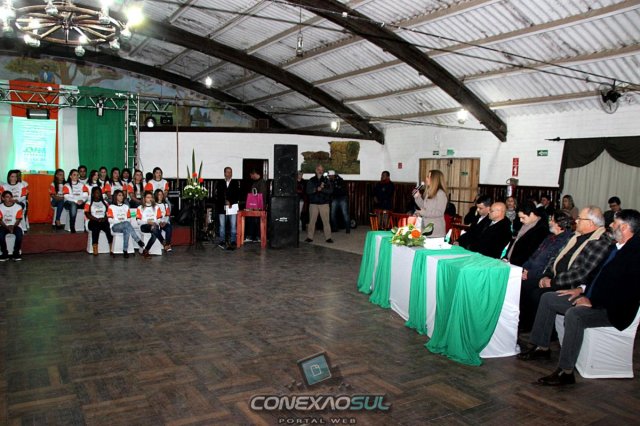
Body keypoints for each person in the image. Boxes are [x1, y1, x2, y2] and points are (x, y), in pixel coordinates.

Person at [518, 209, 640, 387]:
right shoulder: (616, 247)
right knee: (549, 299)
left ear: (624, 227)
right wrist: (580, 289)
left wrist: (592, 301)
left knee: (575, 315)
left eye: (614, 223)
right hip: (592, 297)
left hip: (612, 310)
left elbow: (624, 291)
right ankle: (541, 347)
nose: (610, 225)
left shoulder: (635, 254)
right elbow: (595, 275)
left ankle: (566, 372)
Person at [518, 211, 574, 332]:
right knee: (518, 283)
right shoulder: (550, 237)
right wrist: (524, 269)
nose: (549, 222)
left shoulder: (566, 240)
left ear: (559, 223)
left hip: (544, 275)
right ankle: (523, 322)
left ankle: (529, 325)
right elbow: (534, 255)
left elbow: (549, 263)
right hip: (532, 271)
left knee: (526, 286)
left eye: (552, 220)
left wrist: (530, 274)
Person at [538, 206, 612, 292]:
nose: (576, 221)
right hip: (553, 278)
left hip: (568, 285)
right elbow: (556, 256)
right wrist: (547, 275)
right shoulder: (574, 236)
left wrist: (553, 282)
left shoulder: (600, 242)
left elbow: (582, 273)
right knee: (528, 286)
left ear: (590, 223)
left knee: (535, 293)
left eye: (579, 219)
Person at [504, 202, 549, 266]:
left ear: (531, 214)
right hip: (510, 261)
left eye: (523, 217)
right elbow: (515, 241)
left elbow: (532, 253)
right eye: (519, 218)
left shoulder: (541, 229)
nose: (521, 220)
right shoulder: (526, 222)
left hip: (521, 265)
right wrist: (506, 257)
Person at [108, 189, 144, 258]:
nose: (121, 197)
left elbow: (129, 219)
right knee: (126, 224)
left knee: (126, 230)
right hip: (115, 227)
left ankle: (125, 250)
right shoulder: (111, 207)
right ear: (115, 196)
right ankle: (137, 239)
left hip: (125, 225)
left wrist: (123, 222)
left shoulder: (126, 206)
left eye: (122, 195)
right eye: (119, 195)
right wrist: (121, 221)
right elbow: (110, 220)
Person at [412, 169, 447, 238]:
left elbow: (439, 212)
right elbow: (424, 207)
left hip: (435, 231)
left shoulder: (441, 193)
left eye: (428, 176)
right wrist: (417, 197)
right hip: (426, 228)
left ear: (434, 179)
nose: (426, 178)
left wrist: (422, 212)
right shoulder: (429, 192)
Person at [214, 166, 241, 249]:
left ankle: (233, 241)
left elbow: (237, 194)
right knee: (222, 225)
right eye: (228, 172)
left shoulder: (235, 183)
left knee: (233, 225)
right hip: (222, 207)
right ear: (224, 173)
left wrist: (230, 202)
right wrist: (225, 201)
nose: (229, 173)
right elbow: (218, 195)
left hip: (232, 207)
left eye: (230, 172)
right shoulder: (220, 183)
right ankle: (222, 240)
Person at [305, 164, 333, 243]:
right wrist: (316, 189)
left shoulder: (326, 180)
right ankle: (309, 237)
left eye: (321, 170)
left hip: (324, 203)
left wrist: (322, 189)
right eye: (319, 169)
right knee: (311, 222)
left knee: (326, 221)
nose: (320, 171)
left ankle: (328, 237)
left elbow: (330, 191)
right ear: (316, 170)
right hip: (313, 204)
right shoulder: (311, 180)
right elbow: (308, 191)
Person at [136, 191, 167, 259]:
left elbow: (159, 219)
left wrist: (154, 223)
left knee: (154, 232)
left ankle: (146, 250)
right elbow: (138, 221)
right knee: (154, 228)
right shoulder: (140, 208)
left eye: (151, 197)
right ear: (144, 198)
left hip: (154, 225)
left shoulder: (156, 207)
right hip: (144, 226)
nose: (149, 199)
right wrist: (147, 222)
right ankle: (163, 241)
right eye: (148, 197)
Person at [85, 186, 113, 256]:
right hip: (93, 221)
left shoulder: (105, 202)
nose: (98, 194)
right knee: (95, 228)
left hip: (103, 220)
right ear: (93, 194)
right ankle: (95, 247)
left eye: (99, 193)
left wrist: (104, 218)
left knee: (108, 228)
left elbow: (108, 213)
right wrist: (96, 219)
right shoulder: (88, 203)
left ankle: (111, 246)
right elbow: (87, 214)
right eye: (96, 193)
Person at [0, 191, 24, 261]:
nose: (9, 199)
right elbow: (0, 220)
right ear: (3, 198)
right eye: (7, 197)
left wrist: (13, 227)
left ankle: (16, 253)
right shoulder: (0, 207)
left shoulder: (18, 207)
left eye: (11, 197)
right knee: (0, 235)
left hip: (15, 225)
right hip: (4, 226)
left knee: (19, 235)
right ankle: (4, 253)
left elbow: (18, 219)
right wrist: (7, 227)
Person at [245, 169, 268, 242]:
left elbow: (262, 195)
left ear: (254, 174)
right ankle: (252, 237)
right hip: (254, 206)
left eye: (251, 175)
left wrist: (259, 207)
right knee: (252, 221)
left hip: (259, 207)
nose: (251, 177)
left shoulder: (262, 182)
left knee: (258, 222)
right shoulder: (255, 182)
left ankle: (258, 237)